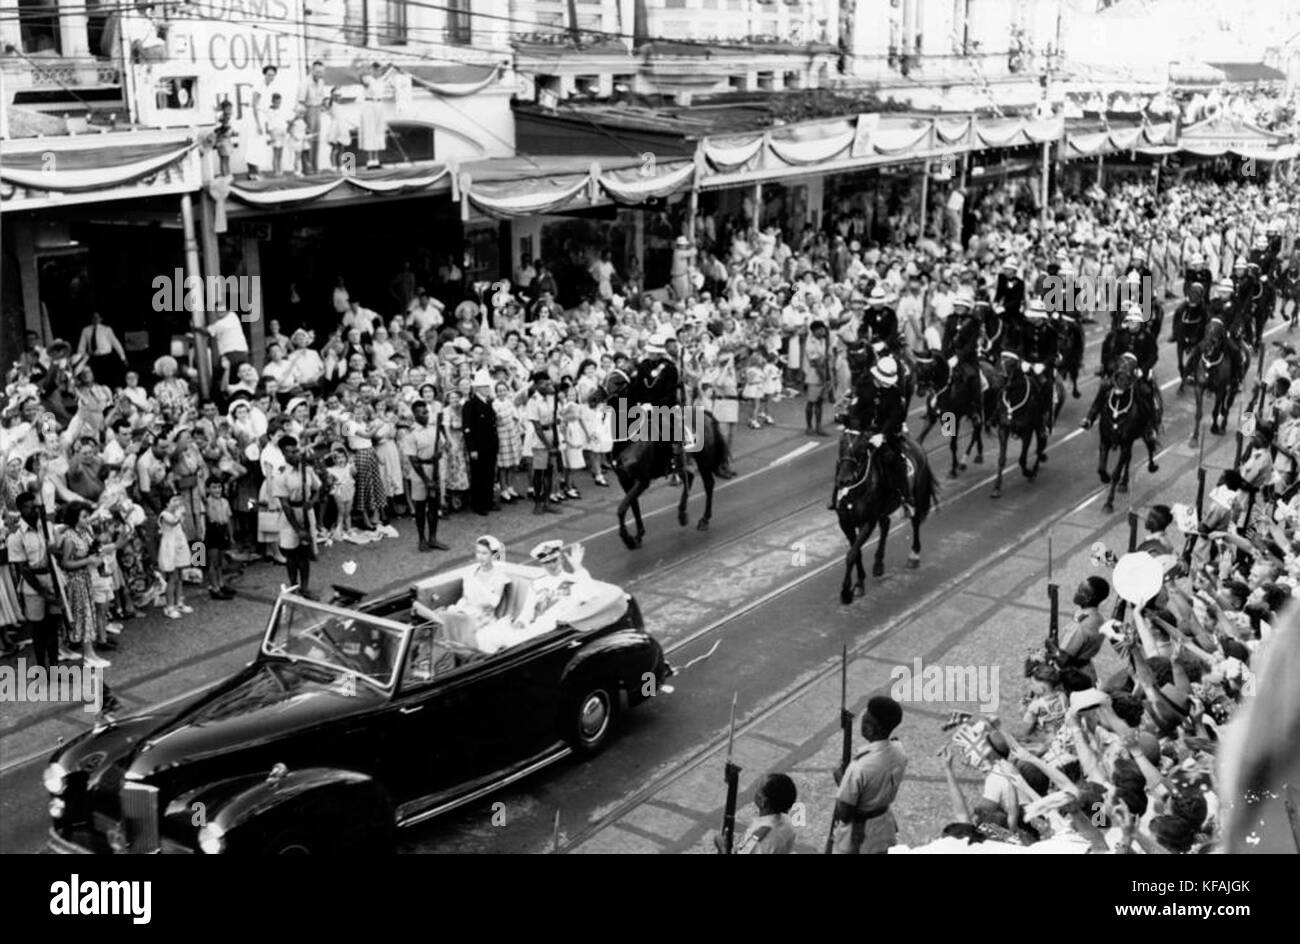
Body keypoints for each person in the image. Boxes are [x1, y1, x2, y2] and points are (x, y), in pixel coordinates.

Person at [831, 695, 907, 854]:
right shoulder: (899, 751)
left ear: (873, 728)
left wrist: (842, 780)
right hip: (884, 827)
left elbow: (845, 813)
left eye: (866, 720)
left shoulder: (860, 767)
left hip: (860, 838)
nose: (862, 723)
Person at [411, 535, 508, 649]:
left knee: (448, 617)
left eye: (484, 553)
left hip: (481, 616)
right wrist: (460, 607)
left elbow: (493, 603)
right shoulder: (470, 572)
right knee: (442, 613)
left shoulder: (499, 577)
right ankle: (436, 619)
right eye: (478, 552)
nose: (480, 557)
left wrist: (475, 599)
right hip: (464, 610)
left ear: (493, 555)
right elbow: (464, 597)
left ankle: (441, 619)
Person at [6, 491, 60, 667]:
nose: (35, 510)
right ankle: (41, 667)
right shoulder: (16, 534)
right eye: (30, 507)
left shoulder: (47, 526)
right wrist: (44, 593)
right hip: (33, 585)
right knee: (39, 629)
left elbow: (57, 553)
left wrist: (55, 551)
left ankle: (54, 664)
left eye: (36, 506)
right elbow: (23, 569)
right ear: (20, 509)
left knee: (53, 628)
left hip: (52, 578)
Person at [862, 354, 913, 518]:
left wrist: (883, 435)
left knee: (897, 462)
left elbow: (893, 418)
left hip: (886, 433)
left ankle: (907, 497)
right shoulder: (870, 385)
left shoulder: (895, 394)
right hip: (870, 430)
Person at [273, 436, 320, 597]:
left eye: (296, 450)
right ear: (283, 453)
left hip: (305, 511)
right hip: (290, 516)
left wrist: (312, 502)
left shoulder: (306, 469)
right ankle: (293, 586)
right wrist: (298, 529)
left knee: (305, 552)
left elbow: (318, 487)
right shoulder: (280, 473)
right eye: (290, 452)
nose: (295, 454)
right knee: (291, 553)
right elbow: (285, 504)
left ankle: (305, 587)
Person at [712, 772, 799, 854]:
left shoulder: (758, 837)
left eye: (759, 789)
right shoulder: (787, 822)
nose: (755, 790)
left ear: (763, 802)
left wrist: (722, 847)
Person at [404, 399, 447, 551]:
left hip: (434, 470)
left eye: (427, 411)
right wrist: (426, 480)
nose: (426, 415)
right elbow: (413, 460)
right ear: (415, 415)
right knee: (421, 507)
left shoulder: (434, 428)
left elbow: (442, 445)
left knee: (434, 505)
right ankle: (422, 539)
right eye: (422, 413)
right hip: (420, 473)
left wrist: (439, 454)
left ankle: (433, 538)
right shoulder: (411, 434)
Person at [462, 369, 499, 516]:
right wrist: (472, 448)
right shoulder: (470, 405)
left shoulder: (488, 403)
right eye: (485, 387)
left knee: (489, 474)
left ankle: (488, 500)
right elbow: (467, 428)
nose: (488, 389)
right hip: (478, 446)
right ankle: (478, 504)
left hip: (490, 445)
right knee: (478, 475)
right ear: (478, 388)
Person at [75, 312, 127, 390]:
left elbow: (115, 343)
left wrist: (123, 357)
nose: (95, 319)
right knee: (96, 379)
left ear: (101, 319)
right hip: (94, 358)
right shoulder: (86, 330)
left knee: (109, 378)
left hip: (106, 358)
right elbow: (82, 345)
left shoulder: (106, 329)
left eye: (97, 317)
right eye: (93, 317)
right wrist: (78, 359)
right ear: (91, 319)